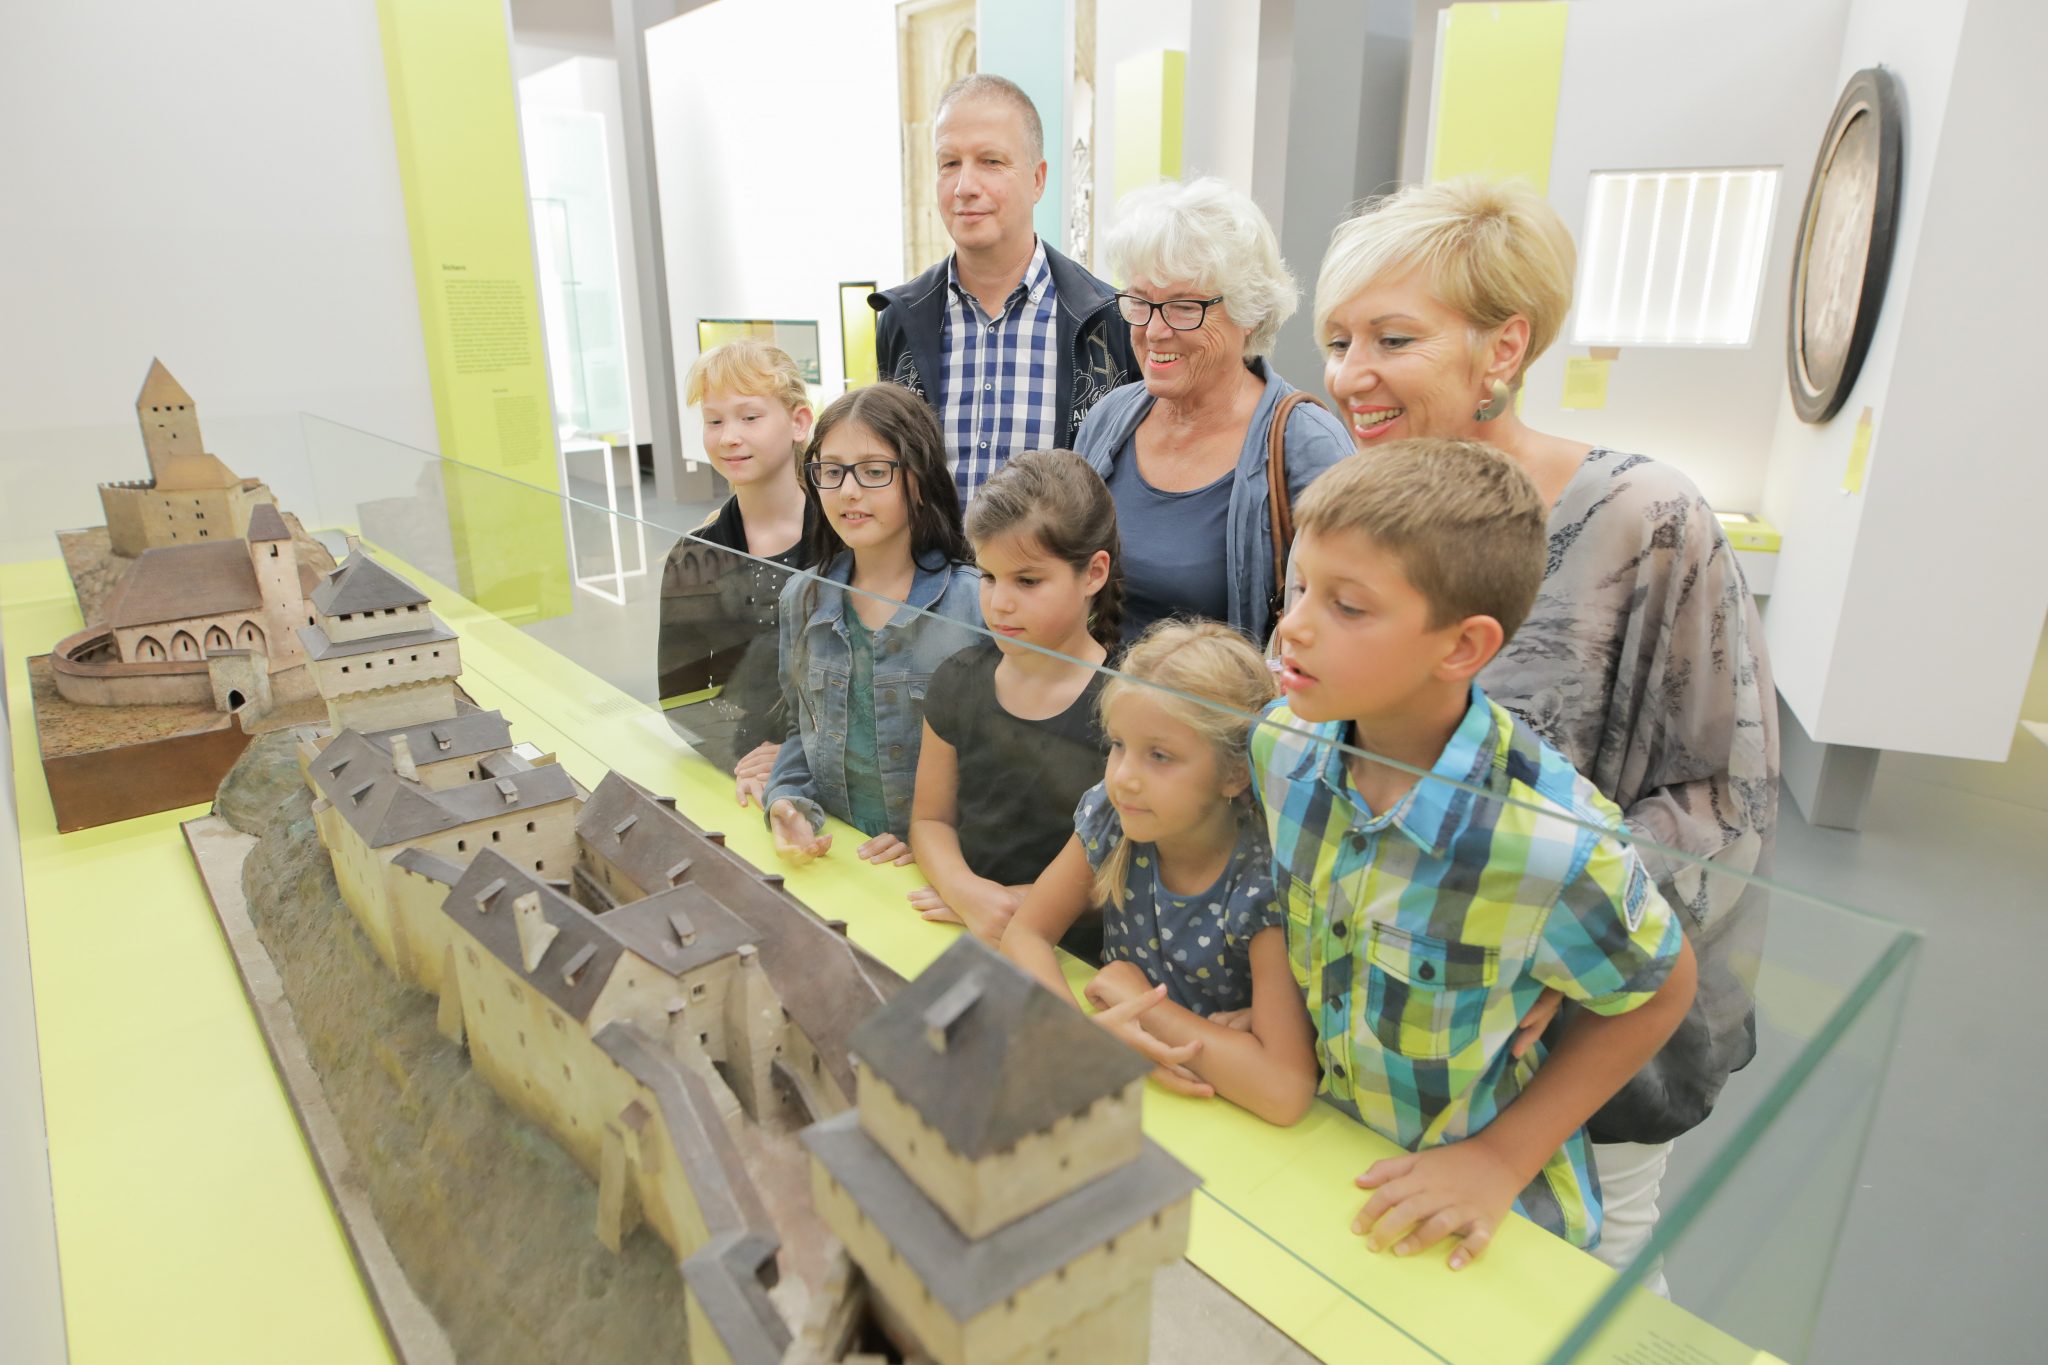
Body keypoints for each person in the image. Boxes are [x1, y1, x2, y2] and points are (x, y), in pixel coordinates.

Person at [1314, 177, 1777, 1283]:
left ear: (1503, 347)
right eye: (1334, 340)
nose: (1348, 375)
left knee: (1586, 1281)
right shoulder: (1359, 506)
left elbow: (1721, 792)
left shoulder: (1642, 517)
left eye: (1392, 337)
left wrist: (1560, 970)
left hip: (1578, 1017)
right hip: (1408, 1022)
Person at [1257, 439, 1697, 1264]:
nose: (1294, 625)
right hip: (1322, 1162)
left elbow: (1659, 990)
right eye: (1300, 585)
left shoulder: (1552, 841)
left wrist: (1499, 1157)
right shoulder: (1281, 747)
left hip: (1470, 1220)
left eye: (1347, 606)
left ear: (1462, 646)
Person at [1001, 620, 1318, 1126]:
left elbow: (1284, 1090)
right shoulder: (1113, 817)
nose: (1124, 776)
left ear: (1236, 773)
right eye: (1119, 745)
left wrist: (1138, 1003)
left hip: (1221, 1126)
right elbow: (1025, 933)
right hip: (1136, 1097)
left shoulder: (1262, 880)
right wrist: (1087, 1033)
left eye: (1160, 756)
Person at [1073, 177, 1351, 648]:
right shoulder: (1109, 420)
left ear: (1249, 314)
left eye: (1184, 308)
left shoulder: (1306, 446)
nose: (1154, 330)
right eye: (1140, 302)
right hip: (1098, 713)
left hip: (1228, 720)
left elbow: (1345, 628)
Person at [870, 73, 1137, 506]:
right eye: (949, 163)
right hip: (929, 572)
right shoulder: (900, 319)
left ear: (1037, 179)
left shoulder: (1109, 320)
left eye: (991, 161)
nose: (964, 187)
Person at [761, 383, 981, 867]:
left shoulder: (976, 604)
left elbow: (1003, 772)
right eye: (831, 471)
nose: (849, 491)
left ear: (919, 479)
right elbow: (803, 732)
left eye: (874, 471)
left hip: (944, 876)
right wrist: (785, 803)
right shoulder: (802, 597)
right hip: (840, 862)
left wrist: (937, 847)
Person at [909, 450, 1119, 956]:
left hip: (1079, 960)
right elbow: (929, 820)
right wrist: (965, 891)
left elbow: (1141, 859)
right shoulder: (957, 681)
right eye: (987, 576)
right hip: (963, 934)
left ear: (1093, 573)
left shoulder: (1130, 704)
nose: (1000, 603)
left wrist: (1035, 905)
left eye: (1027, 581)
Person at [656, 341, 821, 792]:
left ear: (798, 421)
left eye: (749, 417)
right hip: (745, 771)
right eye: (714, 420)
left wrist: (802, 754)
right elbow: (684, 697)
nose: (729, 436)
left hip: (843, 768)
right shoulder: (694, 557)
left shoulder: (846, 537)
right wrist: (747, 761)